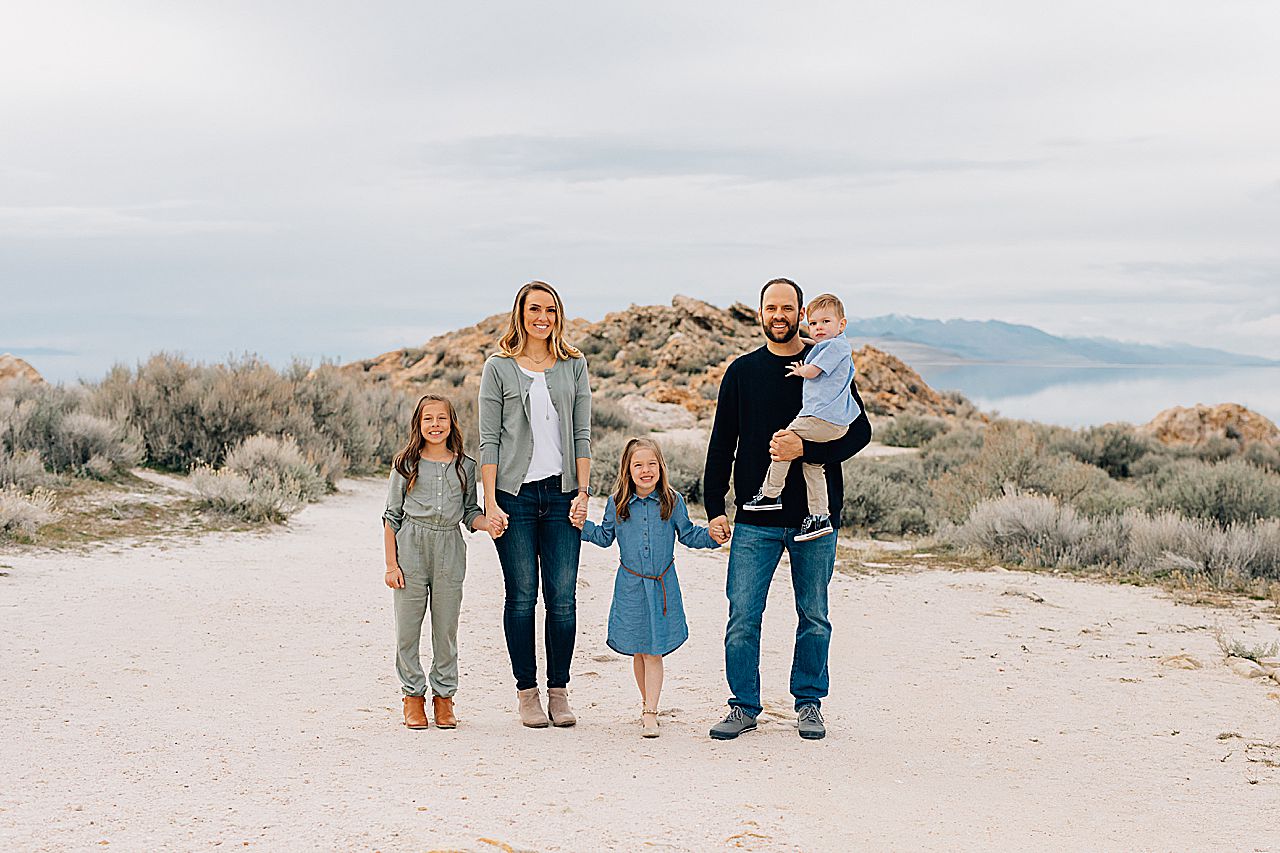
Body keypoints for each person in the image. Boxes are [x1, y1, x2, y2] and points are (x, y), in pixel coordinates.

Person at [703, 278, 871, 741]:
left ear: (800, 313)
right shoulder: (741, 372)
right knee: (742, 615)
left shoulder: (827, 362)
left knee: (813, 614)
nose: (779, 315)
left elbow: (860, 432)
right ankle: (743, 706)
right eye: (770, 307)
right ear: (760, 313)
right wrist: (714, 505)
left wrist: (808, 452)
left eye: (788, 308)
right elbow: (722, 442)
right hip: (755, 518)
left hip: (813, 519)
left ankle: (810, 702)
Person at [479, 281, 592, 728]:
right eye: (534, 310)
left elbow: (582, 434)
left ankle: (559, 693)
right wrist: (490, 502)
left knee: (562, 599)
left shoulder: (574, 365)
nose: (541, 317)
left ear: (558, 315)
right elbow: (489, 440)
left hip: (564, 495)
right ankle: (527, 693)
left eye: (549, 309)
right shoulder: (498, 367)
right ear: (520, 314)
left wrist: (584, 493)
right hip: (515, 497)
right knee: (522, 597)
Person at [574, 438, 727, 737]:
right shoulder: (617, 501)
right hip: (630, 585)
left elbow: (689, 535)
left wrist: (712, 536)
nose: (646, 471)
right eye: (638, 465)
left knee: (654, 651)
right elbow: (605, 537)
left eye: (652, 464)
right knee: (639, 651)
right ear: (627, 470)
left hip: (662, 585)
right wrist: (580, 527)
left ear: (661, 467)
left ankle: (650, 712)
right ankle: (648, 703)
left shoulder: (672, 500)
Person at [382, 394, 489, 731]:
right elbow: (391, 517)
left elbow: (470, 513)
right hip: (411, 547)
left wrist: (490, 522)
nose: (435, 425)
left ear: (451, 423)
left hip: (449, 548)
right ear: (419, 424)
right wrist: (391, 565)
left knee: (445, 630)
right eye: (428, 419)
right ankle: (412, 697)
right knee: (408, 629)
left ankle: (444, 698)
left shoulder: (466, 466)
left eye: (441, 418)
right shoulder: (405, 464)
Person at [741, 293, 860, 542]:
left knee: (785, 441)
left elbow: (815, 369)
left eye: (826, 322)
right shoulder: (829, 346)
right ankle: (819, 516)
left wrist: (800, 369)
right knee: (813, 465)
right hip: (834, 423)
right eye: (814, 324)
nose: (818, 328)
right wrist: (807, 340)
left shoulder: (836, 346)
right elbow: (818, 348)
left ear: (842, 325)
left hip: (821, 418)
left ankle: (770, 495)